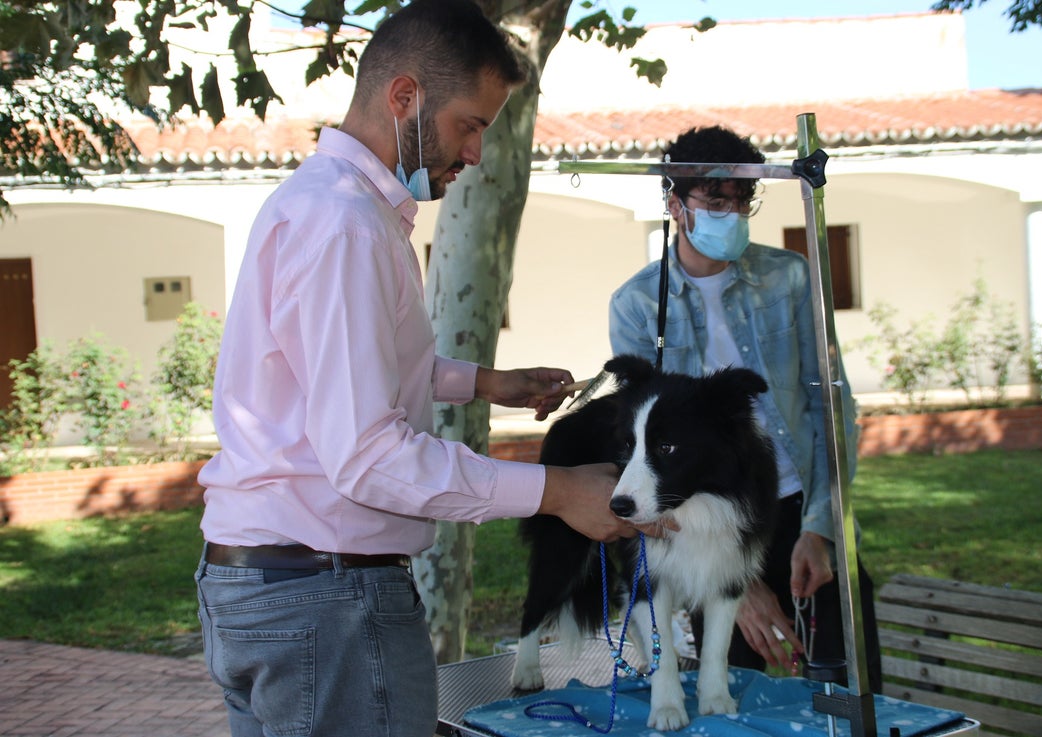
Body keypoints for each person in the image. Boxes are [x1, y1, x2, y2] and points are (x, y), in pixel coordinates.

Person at [194, 2, 649, 735]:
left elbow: (340, 367)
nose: (476, 153)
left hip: (268, 585)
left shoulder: (322, 204)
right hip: (327, 597)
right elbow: (368, 456)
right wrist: (558, 491)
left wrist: (482, 382)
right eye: (469, 125)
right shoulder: (348, 226)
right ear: (404, 97)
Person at [608, 125, 883, 690]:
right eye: (715, 202)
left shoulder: (790, 277)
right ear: (675, 205)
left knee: (848, 685)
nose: (731, 215)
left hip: (799, 506)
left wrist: (822, 529)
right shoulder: (636, 304)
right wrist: (735, 578)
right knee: (729, 692)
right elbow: (645, 447)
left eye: (741, 201)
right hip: (707, 524)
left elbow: (831, 404)